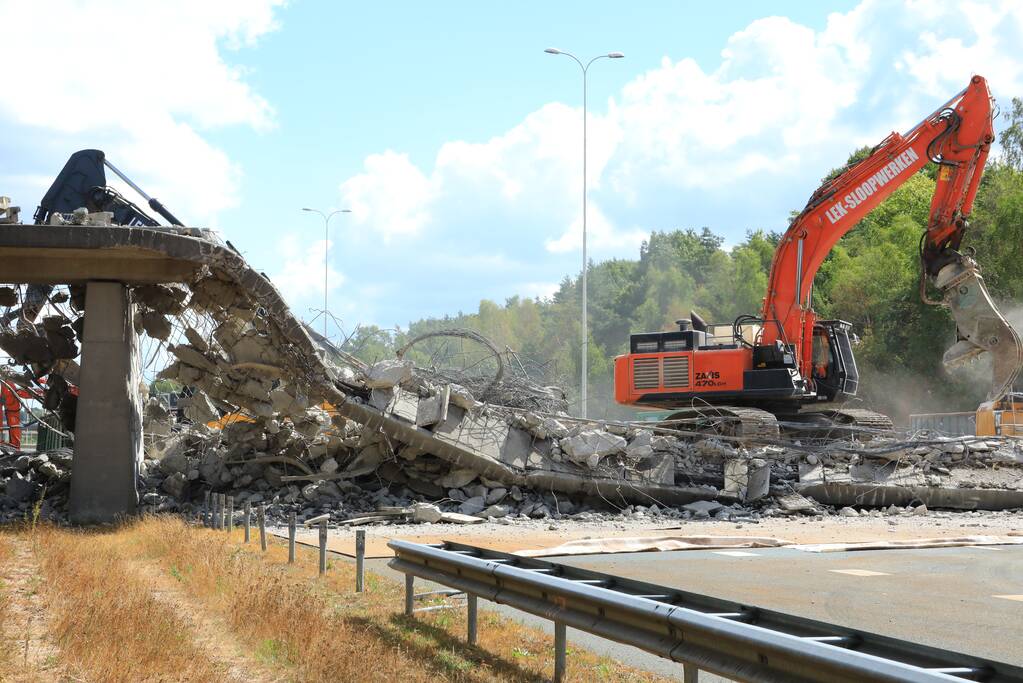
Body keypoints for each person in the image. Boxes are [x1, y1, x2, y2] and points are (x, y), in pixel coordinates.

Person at [0, 382, 21, 450]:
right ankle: (15, 445)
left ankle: (15, 445)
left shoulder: (9, 384)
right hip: (12, 409)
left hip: (12, 409)